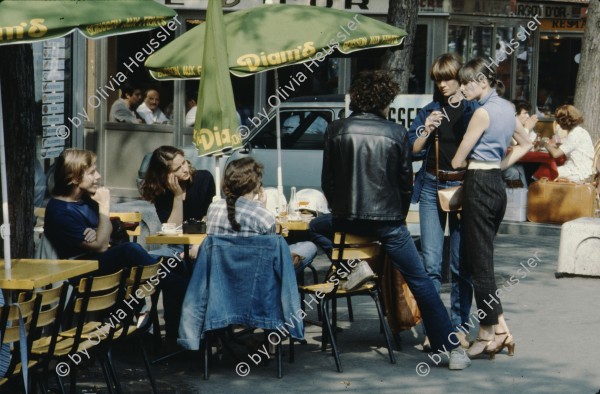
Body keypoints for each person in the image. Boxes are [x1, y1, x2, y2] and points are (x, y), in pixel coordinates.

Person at [321, 69, 470, 370]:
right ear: (385, 100)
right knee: (421, 282)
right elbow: (405, 183)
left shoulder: (335, 129)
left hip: (346, 218)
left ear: (357, 98)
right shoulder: (396, 133)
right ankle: (452, 349)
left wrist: (341, 213)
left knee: (311, 228)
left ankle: (354, 266)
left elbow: (329, 181)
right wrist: (396, 219)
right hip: (387, 222)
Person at [451, 58, 532, 359]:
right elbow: (525, 143)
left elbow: (458, 160)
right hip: (496, 185)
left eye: (466, 82)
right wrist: (500, 164)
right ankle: (499, 330)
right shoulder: (508, 109)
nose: (462, 88)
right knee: (480, 260)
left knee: (479, 264)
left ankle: (489, 332)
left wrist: (475, 162)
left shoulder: (481, 113)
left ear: (482, 82)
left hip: (478, 183)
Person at [408, 53, 475, 351]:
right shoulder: (430, 111)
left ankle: (459, 327)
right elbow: (412, 150)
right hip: (431, 185)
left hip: (463, 185)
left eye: (447, 78)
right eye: (438, 79)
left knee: (461, 265)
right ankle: (435, 329)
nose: (443, 85)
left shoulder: (473, 110)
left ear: (460, 78)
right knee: (431, 264)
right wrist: (427, 130)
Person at [44, 149, 157, 275]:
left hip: (96, 262)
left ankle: (172, 283)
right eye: (92, 173)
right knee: (130, 250)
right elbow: (101, 246)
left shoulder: (86, 199)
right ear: (74, 178)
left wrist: (98, 231)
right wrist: (104, 205)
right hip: (77, 270)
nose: (98, 176)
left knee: (171, 263)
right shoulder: (59, 211)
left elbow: (105, 230)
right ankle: (169, 281)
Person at [206, 157, 317, 276]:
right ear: (256, 184)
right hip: (257, 278)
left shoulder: (213, 208)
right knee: (308, 247)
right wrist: (262, 207)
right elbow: (276, 255)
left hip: (222, 275)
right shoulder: (263, 215)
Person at [141, 145, 216, 260]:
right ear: (165, 174)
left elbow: (209, 218)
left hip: (202, 243)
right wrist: (177, 196)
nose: (185, 169)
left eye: (184, 162)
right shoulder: (161, 192)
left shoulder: (204, 179)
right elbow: (173, 230)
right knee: (148, 260)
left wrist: (196, 246)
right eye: (177, 169)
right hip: (176, 247)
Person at [541, 105, 594, 182]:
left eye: (559, 121)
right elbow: (570, 146)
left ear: (565, 121)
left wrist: (545, 144)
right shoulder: (579, 131)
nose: (558, 124)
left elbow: (555, 154)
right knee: (546, 169)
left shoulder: (575, 134)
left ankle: (544, 192)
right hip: (582, 167)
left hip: (578, 171)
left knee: (546, 172)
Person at [502, 100, 538, 186]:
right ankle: (524, 195)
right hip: (504, 162)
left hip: (520, 162)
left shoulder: (525, 127)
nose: (528, 116)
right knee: (518, 169)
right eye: (525, 113)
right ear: (515, 115)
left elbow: (531, 145)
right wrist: (527, 128)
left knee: (531, 168)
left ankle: (526, 195)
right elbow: (514, 145)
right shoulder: (507, 127)